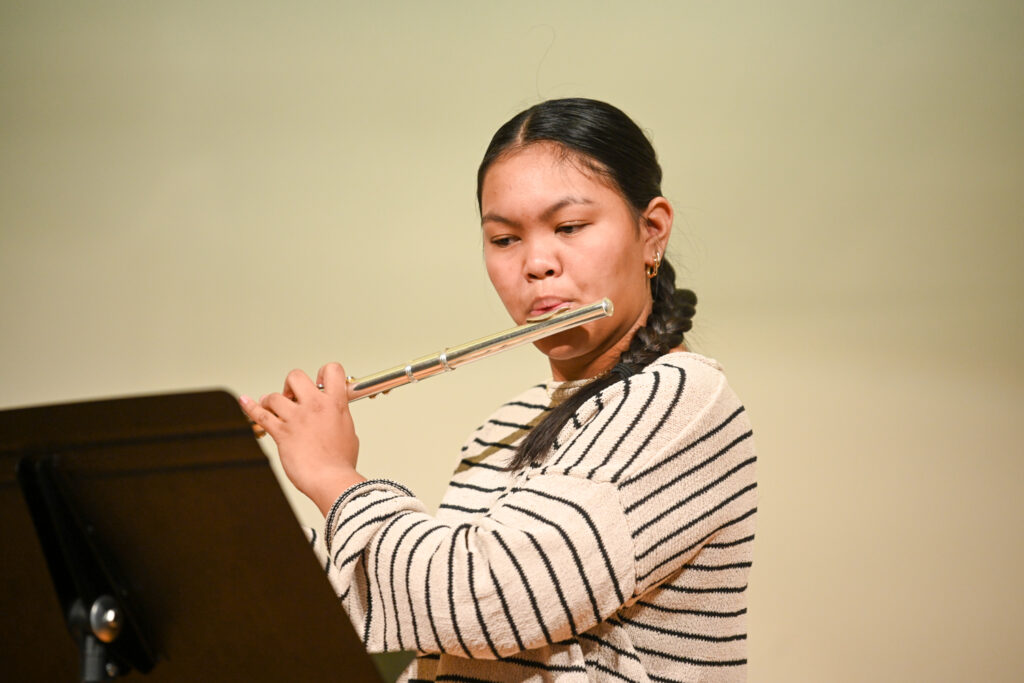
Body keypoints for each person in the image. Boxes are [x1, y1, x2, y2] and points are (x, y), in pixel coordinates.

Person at [240, 98, 757, 682]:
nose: (536, 264)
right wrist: (228, 510)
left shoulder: (683, 400)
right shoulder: (507, 426)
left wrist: (333, 476)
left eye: (569, 227)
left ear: (652, 232)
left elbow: (488, 604)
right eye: (505, 239)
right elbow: (414, 615)